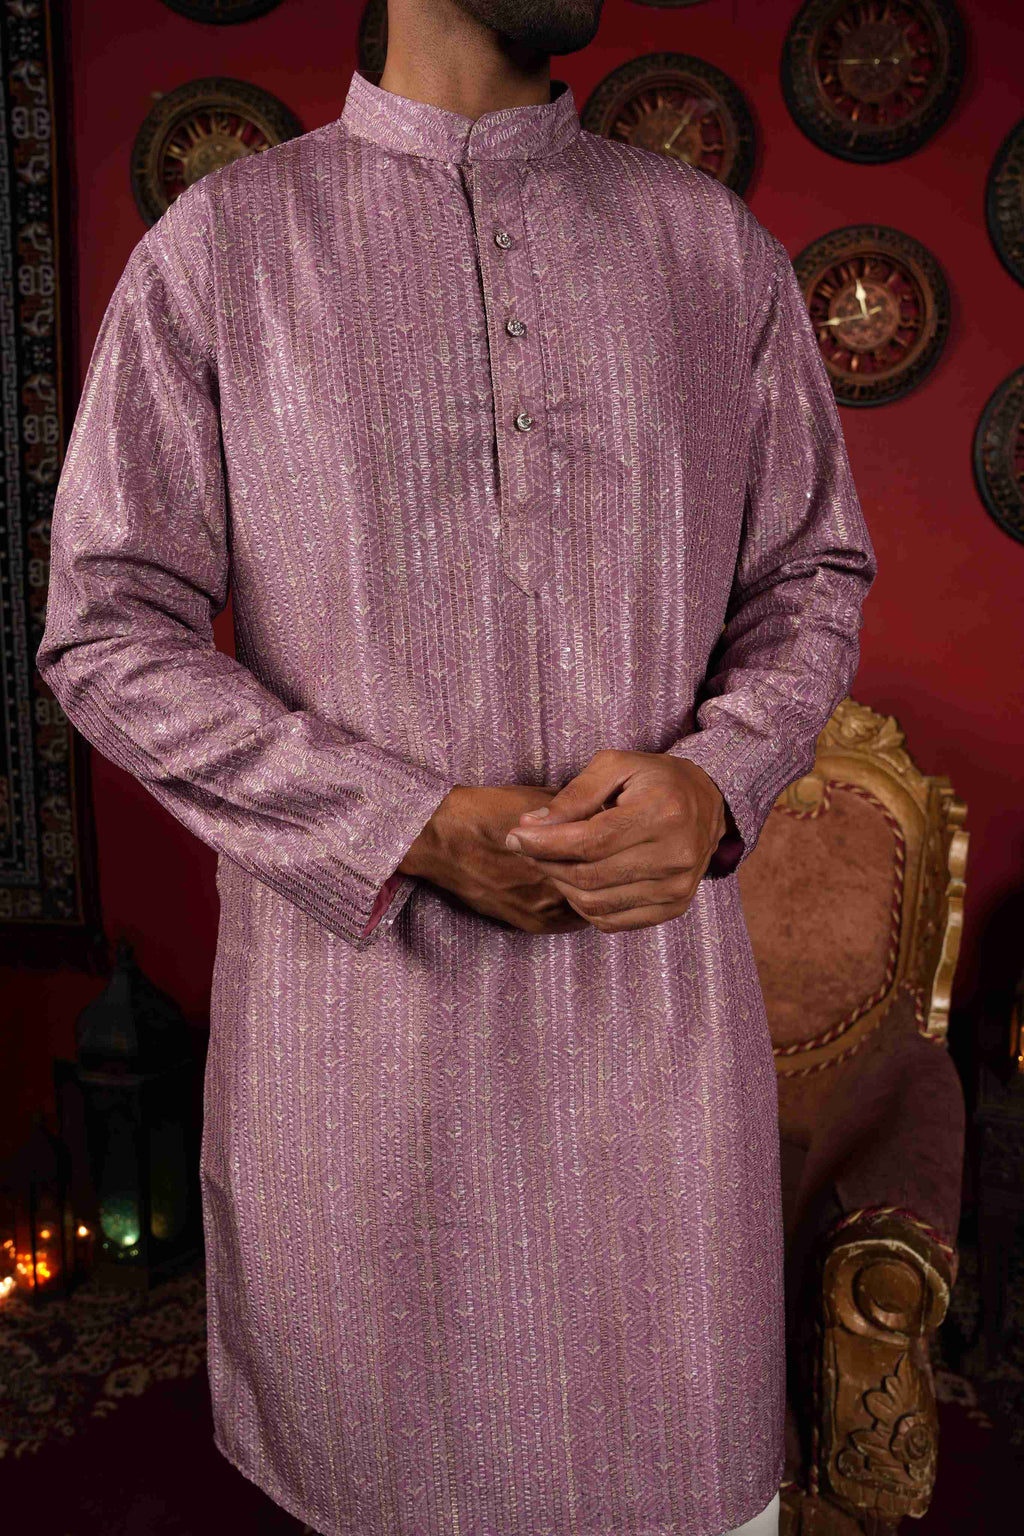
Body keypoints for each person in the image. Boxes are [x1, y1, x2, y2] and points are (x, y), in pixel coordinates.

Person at [35, 2, 876, 1533]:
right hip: (361, 1101)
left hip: (654, 1095)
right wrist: (406, 824)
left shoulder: (708, 251)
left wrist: (720, 780)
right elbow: (103, 630)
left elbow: (813, 575)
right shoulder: (225, 254)